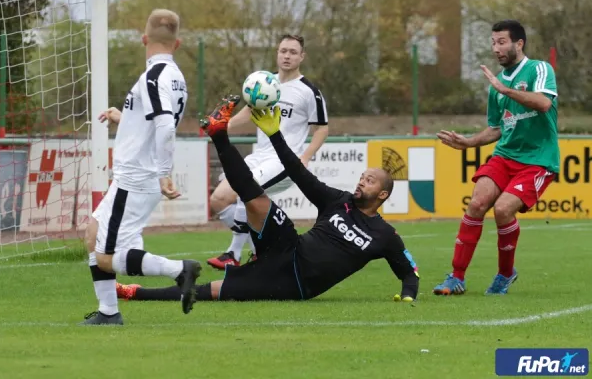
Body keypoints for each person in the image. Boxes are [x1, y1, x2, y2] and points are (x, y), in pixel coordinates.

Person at [114, 95, 419, 303]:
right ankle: (219, 135)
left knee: (213, 292)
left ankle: (134, 292)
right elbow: (299, 173)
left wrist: (408, 294)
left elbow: (408, 272)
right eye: (362, 176)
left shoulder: (384, 235)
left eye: (369, 181)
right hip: (288, 247)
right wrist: (275, 136)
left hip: (293, 285)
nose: (361, 181)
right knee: (256, 201)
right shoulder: (339, 201)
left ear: (381, 195)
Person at [80, 9, 202, 326]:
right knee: (92, 234)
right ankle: (108, 312)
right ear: (178, 43)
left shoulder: (154, 76)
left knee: (106, 259)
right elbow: (155, 120)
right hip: (135, 176)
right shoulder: (175, 77)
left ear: (143, 38)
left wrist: (164, 172)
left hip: (136, 177)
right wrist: (127, 118)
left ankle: (179, 270)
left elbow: (165, 127)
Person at [433, 19, 559, 296]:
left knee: (502, 210)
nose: (496, 49)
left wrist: (507, 90)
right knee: (477, 203)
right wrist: (469, 143)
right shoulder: (497, 84)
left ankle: (505, 274)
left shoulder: (539, 68)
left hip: (538, 159)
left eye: (501, 42)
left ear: (519, 43)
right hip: (505, 156)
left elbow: (544, 102)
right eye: (493, 43)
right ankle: (456, 278)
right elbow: (497, 128)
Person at [207, 34, 329, 270]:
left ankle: (233, 253)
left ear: (302, 57)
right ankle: (261, 252)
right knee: (219, 199)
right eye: (283, 50)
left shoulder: (309, 91)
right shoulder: (265, 82)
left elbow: (322, 129)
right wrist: (224, 125)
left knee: (246, 193)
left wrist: (305, 157)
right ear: (277, 53)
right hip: (260, 156)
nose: (287, 55)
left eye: (293, 52)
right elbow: (249, 112)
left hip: (286, 161)